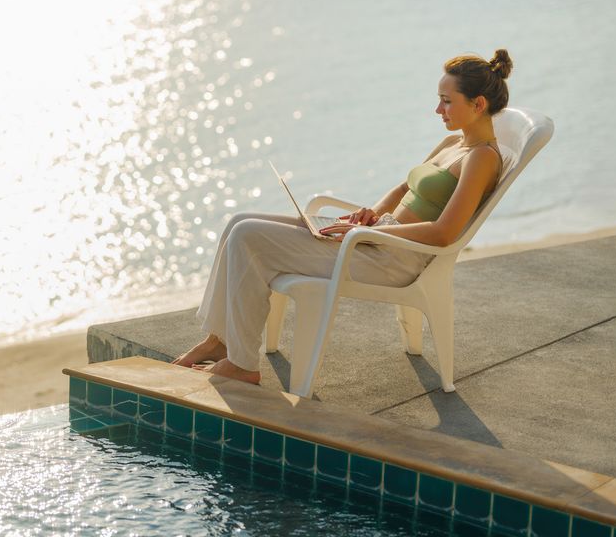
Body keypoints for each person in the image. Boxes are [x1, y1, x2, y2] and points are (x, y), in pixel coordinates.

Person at [173, 49, 514, 385]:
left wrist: (368, 234)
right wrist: (370, 215)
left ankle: (242, 364)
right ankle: (220, 341)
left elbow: (444, 232)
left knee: (248, 236)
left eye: (447, 101)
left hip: (395, 259)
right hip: (378, 238)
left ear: (478, 104)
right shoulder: (452, 143)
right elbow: (402, 189)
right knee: (238, 222)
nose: (438, 109)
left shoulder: (482, 158)